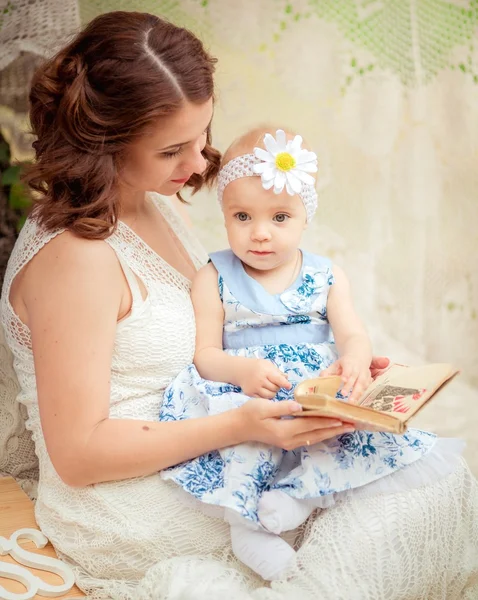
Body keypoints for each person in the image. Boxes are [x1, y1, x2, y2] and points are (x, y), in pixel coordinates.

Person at [0, 11, 476, 600]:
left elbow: (230, 323)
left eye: (202, 135)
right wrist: (243, 424)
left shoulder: (152, 201)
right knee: (397, 511)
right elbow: (79, 456)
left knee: (433, 483)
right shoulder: (76, 259)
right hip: (134, 493)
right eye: (174, 148)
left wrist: (325, 370)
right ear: (104, 143)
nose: (201, 163)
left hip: (219, 438)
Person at [158, 126, 455, 581]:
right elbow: (204, 354)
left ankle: (300, 498)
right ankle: (245, 526)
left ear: (304, 217)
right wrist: (241, 370)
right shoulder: (212, 276)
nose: (260, 234)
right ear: (224, 215)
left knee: (337, 436)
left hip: (314, 385)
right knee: (249, 441)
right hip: (252, 388)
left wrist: (355, 359)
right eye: (242, 216)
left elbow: (353, 335)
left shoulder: (327, 275)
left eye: (279, 218)